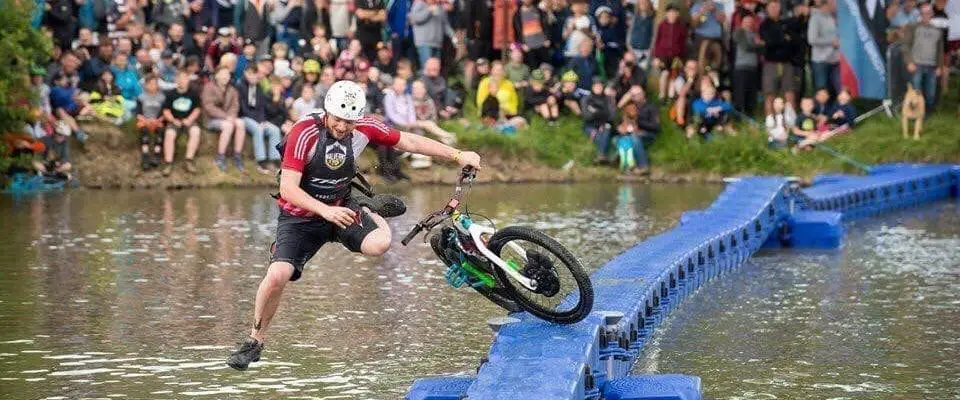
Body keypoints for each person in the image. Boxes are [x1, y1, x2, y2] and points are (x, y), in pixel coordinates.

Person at [225, 81, 481, 370]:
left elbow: (407, 141)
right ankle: (255, 341)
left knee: (379, 245)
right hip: (301, 217)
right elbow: (288, 189)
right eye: (337, 119)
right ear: (327, 112)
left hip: (343, 205)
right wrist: (325, 212)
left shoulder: (365, 126)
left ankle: (368, 207)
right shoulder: (303, 132)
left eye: (349, 121)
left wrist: (458, 155)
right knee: (277, 275)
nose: (343, 126)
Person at [238, 65, 283, 174]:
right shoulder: (240, 86)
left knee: (274, 130)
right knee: (258, 129)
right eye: (251, 74)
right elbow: (242, 108)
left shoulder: (258, 87)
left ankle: (273, 160)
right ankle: (261, 162)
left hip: (258, 118)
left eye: (256, 75)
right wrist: (258, 121)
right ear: (246, 74)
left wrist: (262, 120)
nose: (254, 77)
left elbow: (261, 107)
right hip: (245, 117)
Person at [203, 67, 246, 172]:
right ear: (216, 75)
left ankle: (237, 155)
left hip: (228, 118)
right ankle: (220, 157)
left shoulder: (232, 90)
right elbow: (209, 106)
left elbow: (235, 106)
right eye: (222, 74)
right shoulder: (208, 87)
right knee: (228, 126)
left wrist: (231, 116)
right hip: (211, 119)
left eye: (227, 74)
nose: (225, 77)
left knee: (240, 123)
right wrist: (226, 117)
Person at [904, 3, 944, 110]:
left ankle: (928, 112)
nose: (926, 15)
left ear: (932, 14)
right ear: (920, 14)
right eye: (924, 13)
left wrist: (940, 66)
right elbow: (906, 46)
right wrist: (909, 62)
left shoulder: (938, 30)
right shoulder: (912, 27)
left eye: (928, 13)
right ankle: (916, 113)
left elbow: (940, 50)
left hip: (932, 66)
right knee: (916, 92)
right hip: (917, 65)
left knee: (930, 93)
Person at [161, 71, 202, 176]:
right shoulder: (170, 94)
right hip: (174, 120)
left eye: (184, 78)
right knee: (169, 134)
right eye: (179, 79)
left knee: (196, 131)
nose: (181, 81)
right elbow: (166, 111)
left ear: (188, 80)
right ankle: (168, 163)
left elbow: (197, 109)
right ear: (176, 80)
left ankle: (189, 160)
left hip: (189, 120)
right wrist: (173, 120)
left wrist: (189, 120)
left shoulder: (193, 93)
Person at [732, 14, 764, 117]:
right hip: (741, 67)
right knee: (741, 92)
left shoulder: (755, 34)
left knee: (751, 93)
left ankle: (750, 115)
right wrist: (758, 44)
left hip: (753, 67)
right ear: (742, 23)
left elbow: (763, 50)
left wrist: (759, 45)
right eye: (746, 21)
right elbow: (746, 46)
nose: (749, 24)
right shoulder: (739, 32)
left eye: (751, 21)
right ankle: (739, 115)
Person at [808, 0, 840, 97]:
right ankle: (821, 111)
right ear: (827, 3)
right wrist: (831, 42)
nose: (837, 5)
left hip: (836, 60)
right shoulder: (816, 18)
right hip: (820, 61)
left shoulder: (838, 17)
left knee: (839, 89)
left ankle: (840, 111)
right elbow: (812, 39)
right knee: (822, 92)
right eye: (834, 2)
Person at [581, 79, 616, 163]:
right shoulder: (586, 99)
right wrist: (603, 113)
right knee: (601, 137)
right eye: (596, 86)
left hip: (605, 125)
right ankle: (607, 156)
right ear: (592, 87)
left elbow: (612, 116)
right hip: (590, 125)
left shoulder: (608, 99)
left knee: (606, 130)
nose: (598, 87)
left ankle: (601, 155)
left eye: (600, 86)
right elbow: (587, 116)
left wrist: (595, 111)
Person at [136, 75, 166, 171]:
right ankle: (145, 157)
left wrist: (157, 120)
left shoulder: (162, 97)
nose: (152, 86)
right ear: (145, 85)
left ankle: (157, 155)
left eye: (154, 84)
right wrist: (146, 120)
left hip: (158, 121)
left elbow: (164, 112)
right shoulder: (141, 97)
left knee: (160, 131)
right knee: (144, 132)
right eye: (150, 84)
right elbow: (138, 113)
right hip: (144, 120)